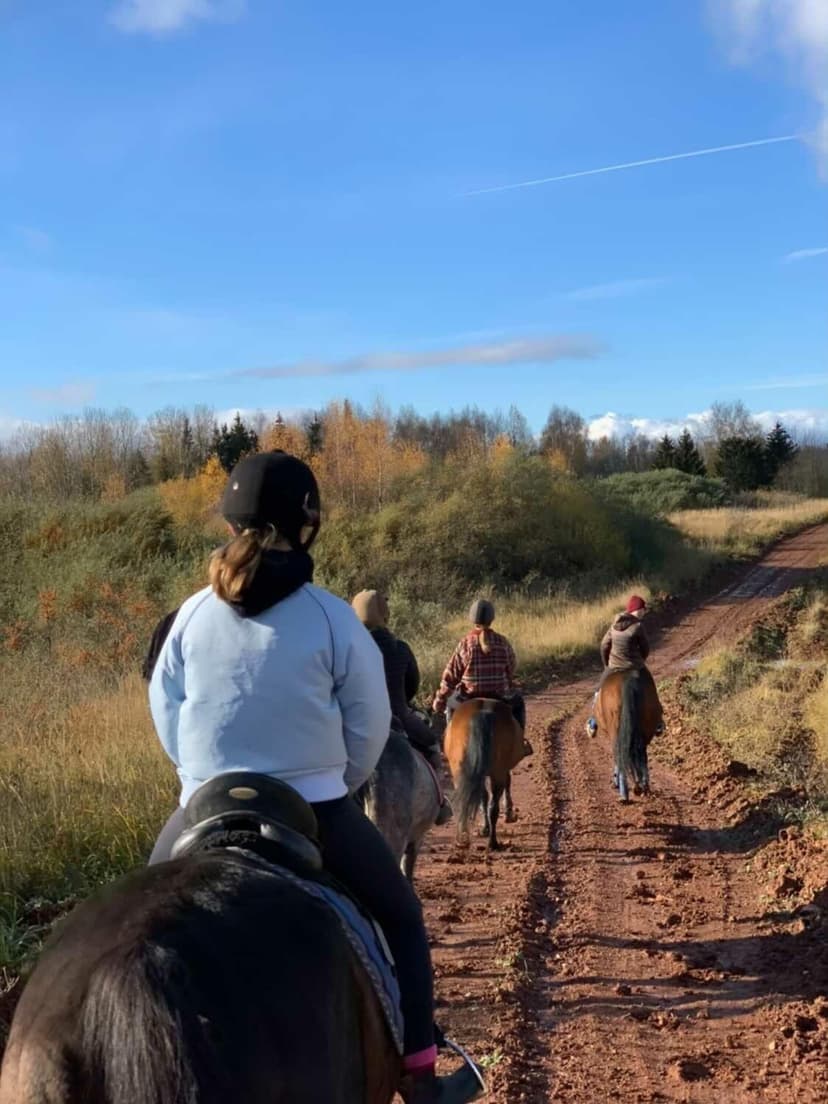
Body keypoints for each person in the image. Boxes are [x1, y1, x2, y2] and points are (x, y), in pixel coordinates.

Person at [148, 451, 481, 1104]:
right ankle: (419, 1073)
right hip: (316, 810)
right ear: (309, 526)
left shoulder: (189, 616)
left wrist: (198, 779)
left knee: (139, 928)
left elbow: (166, 712)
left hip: (202, 808)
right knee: (402, 916)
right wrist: (334, 782)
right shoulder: (332, 618)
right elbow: (368, 729)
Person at [351, 589, 452, 826]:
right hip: (398, 717)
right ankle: (439, 802)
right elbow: (412, 686)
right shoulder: (400, 648)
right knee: (431, 745)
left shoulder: (350, 648)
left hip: (358, 722)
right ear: (384, 614)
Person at [432, 599, 525, 729]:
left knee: (450, 706)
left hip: (468, 698)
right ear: (492, 618)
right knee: (519, 703)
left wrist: (440, 700)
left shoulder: (465, 644)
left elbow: (450, 678)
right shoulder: (503, 642)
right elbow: (511, 667)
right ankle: (520, 741)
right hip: (500, 697)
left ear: (472, 619)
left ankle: (449, 741)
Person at [586, 594, 662, 735]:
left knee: (599, 691)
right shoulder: (638, 626)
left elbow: (604, 645)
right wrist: (641, 661)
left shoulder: (614, 625)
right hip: (634, 666)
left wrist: (607, 664)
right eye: (643, 609)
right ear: (637, 610)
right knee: (651, 686)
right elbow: (646, 648)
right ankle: (658, 721)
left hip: (614, 666)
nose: (644, 612)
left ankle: (592, 721)